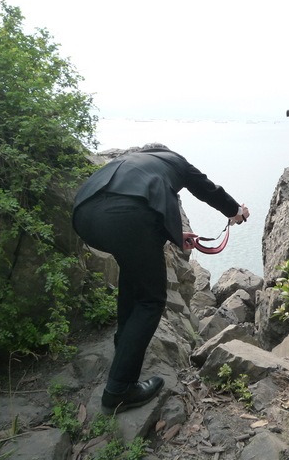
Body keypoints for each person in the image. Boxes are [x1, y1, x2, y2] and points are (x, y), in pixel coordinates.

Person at [72, 146, 249, 413]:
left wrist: (174, 234)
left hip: (84, 215)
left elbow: (132, 201)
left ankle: (125, 347)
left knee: (133, 274)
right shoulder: (177, 162)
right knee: (151, 301)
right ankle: (119, 390)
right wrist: (235, 211)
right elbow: (207, 189)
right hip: (128, 218)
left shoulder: (130, 160)